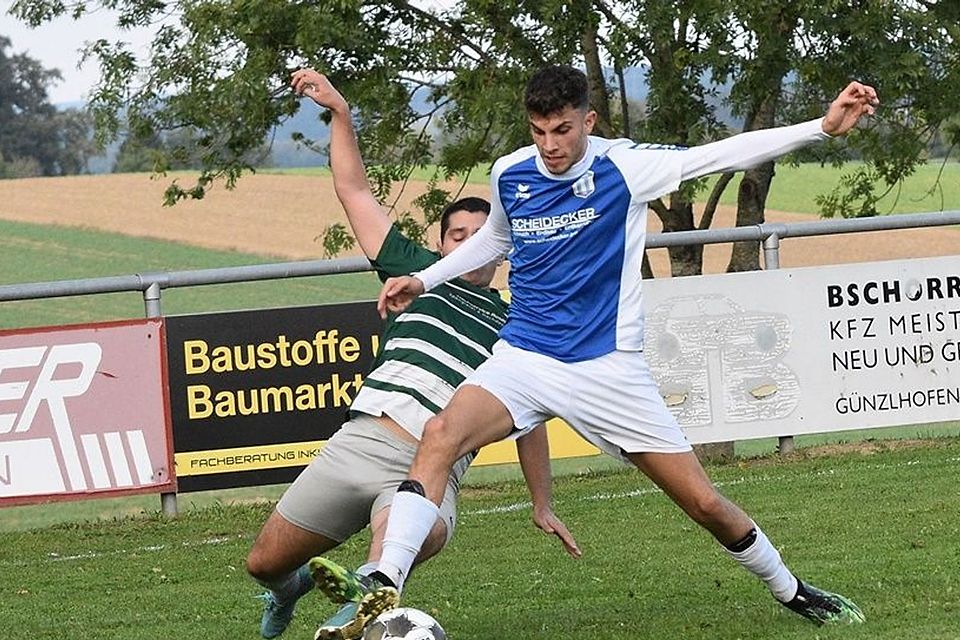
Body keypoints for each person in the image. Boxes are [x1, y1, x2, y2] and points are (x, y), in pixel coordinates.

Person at [316, 65, 878, 629]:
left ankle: (791, 588)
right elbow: (496, 238)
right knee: (440, 434)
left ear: (588, 119)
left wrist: (821, 129)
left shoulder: (626, 166)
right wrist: (427, 279)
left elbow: (722, 153)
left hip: (607, 369)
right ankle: (383, 581)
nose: (550, 145)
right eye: (539, 131)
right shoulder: (511, 173)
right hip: (526, 356)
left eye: (562, 130)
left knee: (703, 503)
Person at [245, 68, 580, 640]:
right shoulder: (414, 275)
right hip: (360, 443)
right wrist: (342, 115)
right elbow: (354, 192)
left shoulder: (518, 320)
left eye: (483, 234)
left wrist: (542, 501)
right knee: (265, 563)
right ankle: (293, 590)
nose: (469, 243)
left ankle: (359, 613)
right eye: (457, 234)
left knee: (394, 552)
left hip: (434, 465)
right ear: (442, 241)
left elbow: (528, 419)